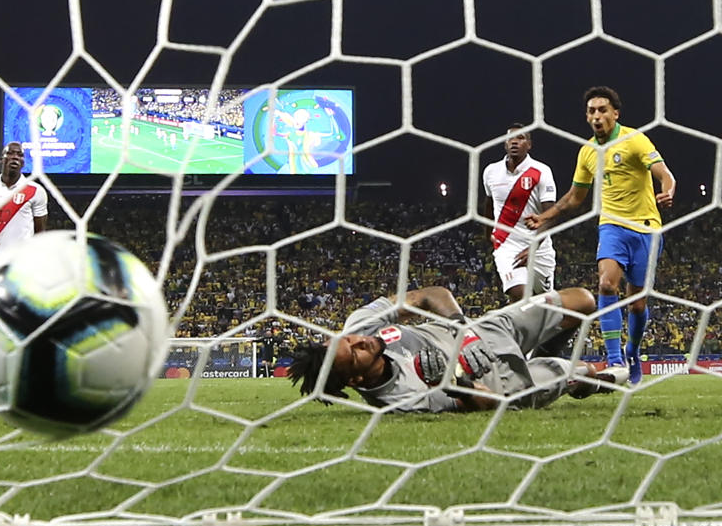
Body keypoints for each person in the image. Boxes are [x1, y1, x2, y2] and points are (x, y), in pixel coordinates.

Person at [525, 86, 676, 386]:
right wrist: (545, 216)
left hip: (646, 227)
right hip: (612, 226)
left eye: (602, 110)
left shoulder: (634, 139)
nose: (597, 116)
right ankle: (614, 360)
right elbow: (574, 197)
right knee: (606, 283)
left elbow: (663, 172)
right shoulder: (588, 152)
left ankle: (631, 352)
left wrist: (668, 188)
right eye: (592, 111)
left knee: (638, 305)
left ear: (615, 113)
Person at [288, 286, 613, 413]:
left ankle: (545, 354)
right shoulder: (404, 399)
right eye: (355, 352)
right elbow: (491, 403)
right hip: (506, 384)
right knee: (582, 373)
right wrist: (454, 384)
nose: (360, 340)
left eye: (347, 339)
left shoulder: (360, 325)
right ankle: (576, 376)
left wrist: (464, 331)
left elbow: (430, 295)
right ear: (356, 380)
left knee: (582, 301)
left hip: (486, 331)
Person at [482, 124, 557, 301]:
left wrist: (533, 247)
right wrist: (488, 234)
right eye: (510, 139)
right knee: (519, 295)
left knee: (545, 305)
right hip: (506, 246)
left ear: (529, 145)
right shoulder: (491, 172)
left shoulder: (541, 171)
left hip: (539, 249)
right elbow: (488, 205)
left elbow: (551, 214)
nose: (514, 142)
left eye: (521, 138)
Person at [0, 142, 47, 262]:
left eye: (19, 155)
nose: (15, 157)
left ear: (23, 162)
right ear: (1, 160)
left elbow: (40, 232)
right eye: (10, 153)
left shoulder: (36, 191)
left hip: (22, 263)